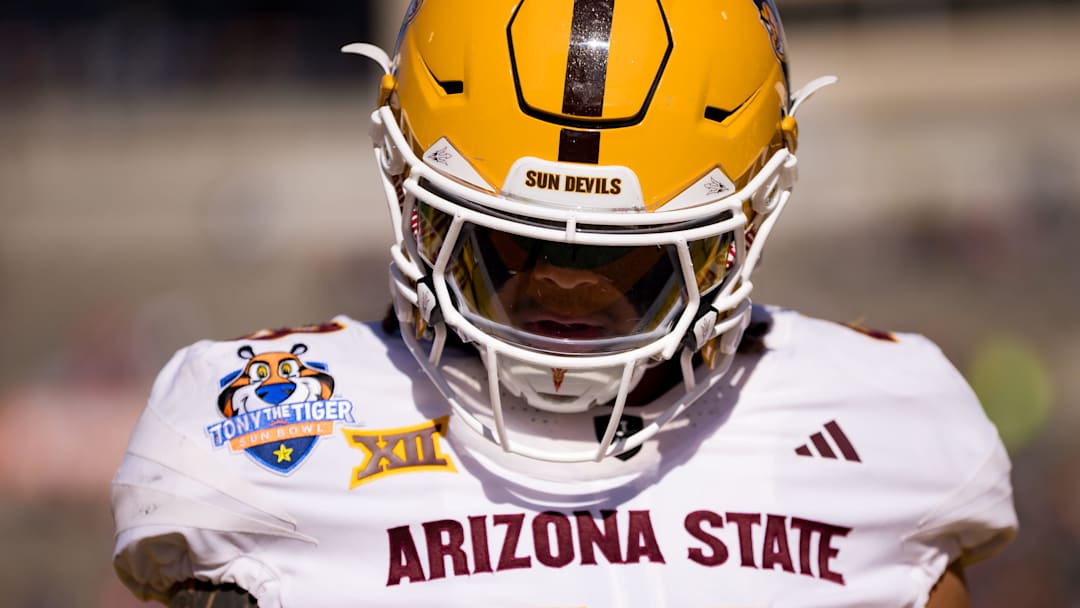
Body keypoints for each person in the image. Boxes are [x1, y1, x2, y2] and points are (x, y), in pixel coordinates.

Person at [111, 1, 1017, 606]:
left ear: (747, 222)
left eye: (631, 260)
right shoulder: (259, 431)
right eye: (511, 243)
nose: (565, 289)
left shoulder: (894, 426)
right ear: (409, 192)